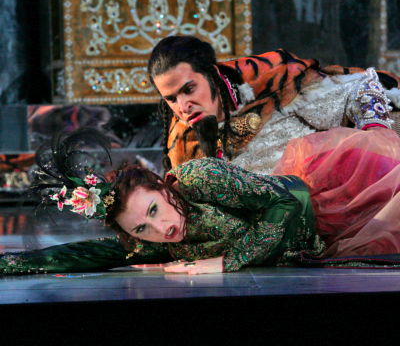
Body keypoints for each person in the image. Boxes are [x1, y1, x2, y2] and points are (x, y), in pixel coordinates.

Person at [1, 121, 400, 276]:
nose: (163, 228)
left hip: (340, 198)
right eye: (142, 227)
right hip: (318, 247)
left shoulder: (198, 179)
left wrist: (228, 260)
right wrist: (12, 263)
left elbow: (286, 201)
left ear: (162, 187)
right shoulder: (147, 242)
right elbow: (88, 254)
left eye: (155, 209)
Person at [147, 35, 400, 174]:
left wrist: (375, 136)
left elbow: (362, 86)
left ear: (212, 74)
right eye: (171, 99)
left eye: (189, 89)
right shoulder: (182, 147)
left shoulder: (274, 87)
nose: (183, 106)